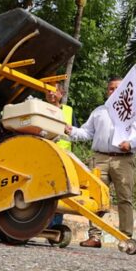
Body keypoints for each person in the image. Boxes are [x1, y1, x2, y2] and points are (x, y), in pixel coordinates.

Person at [65, 76, 136, 248]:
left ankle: (125, 238)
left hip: (123, 160)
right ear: (107, 91)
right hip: (100, 158)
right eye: (111, 88)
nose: (114, 92)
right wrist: (70, 130)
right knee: (95, 196)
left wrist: (131, 144)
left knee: (124, 198)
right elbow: (87, 133)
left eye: (118, 88)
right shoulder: (99, 111)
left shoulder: (134, 110)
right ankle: (94, 236)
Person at [46, 82, 78, 229]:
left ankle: (55, 226)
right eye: (48, 91)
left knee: (60, 190)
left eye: (55, 91)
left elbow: (77, 133)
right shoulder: (40, 109)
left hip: (64, 156)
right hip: (46, 154)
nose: (51, 94)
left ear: (61, 93)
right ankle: (41, 224)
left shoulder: (69, 111)